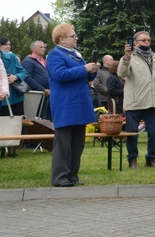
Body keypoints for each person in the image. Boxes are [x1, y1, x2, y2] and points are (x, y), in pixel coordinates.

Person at [46, 24, 98, 187]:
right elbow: (59, 75)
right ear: (61, 39)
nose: (76, 38)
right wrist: (84, 68)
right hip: (66, 104)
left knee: (77, 143)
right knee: (63, 144)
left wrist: (92, 71)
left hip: (79, 104)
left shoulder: (75, 54)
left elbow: (83, 75)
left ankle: (72, 175)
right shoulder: (54, 55)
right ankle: (59, 177)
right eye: (72, 36)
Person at [118, 30, 155, 168]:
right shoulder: (129, 57)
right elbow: (122, 73)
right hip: (135, 101)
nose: (146, 42)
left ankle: (151, 158)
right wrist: (126, 58)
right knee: (132, 133)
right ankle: (132, 159)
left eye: (148, 40)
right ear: (135, 42)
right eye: (143, 40)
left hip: (152, 101)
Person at [0, 37, 27, 158]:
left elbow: (23, 72)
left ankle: (12, 149)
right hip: (2, 95)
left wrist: (15, 77)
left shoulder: (12, 57)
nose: (8, 47)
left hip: (14, 96)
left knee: (13, 122)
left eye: (9, 44)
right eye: (5, 44)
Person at [22, 40, 51, 120]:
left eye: (44, 47)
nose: (43, 49)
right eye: (41, 47)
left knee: (46, 118)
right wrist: (43, 89)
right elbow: (27, 78)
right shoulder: (28, 61)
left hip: (47, 95)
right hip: (37, 96)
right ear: (33, 49)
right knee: (37, 118)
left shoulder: (44, 62)